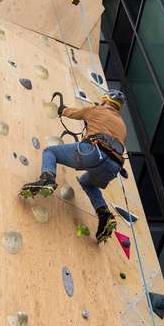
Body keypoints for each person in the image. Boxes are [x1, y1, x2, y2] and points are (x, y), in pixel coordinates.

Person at [19, 89, 128, 243]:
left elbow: (73, 113)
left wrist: (61, 109)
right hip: (113, 167)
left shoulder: (96, 109)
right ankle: (104, 215)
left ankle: (47, 179)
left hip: (93, 152)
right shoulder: (123, 125)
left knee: (50, 152)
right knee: (86, 182)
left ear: (105, 100)